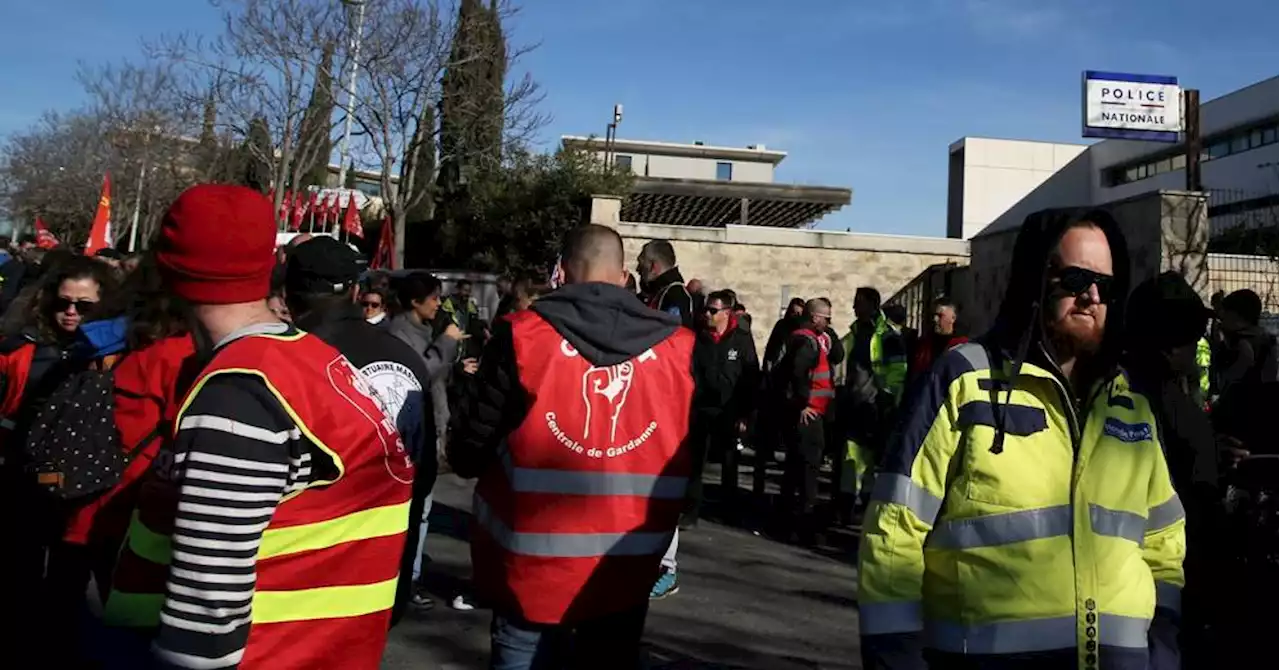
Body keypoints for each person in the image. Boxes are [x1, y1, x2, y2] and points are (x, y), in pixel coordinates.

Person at [101, 184, 413, 669]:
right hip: (325, 650)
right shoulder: (310, 361)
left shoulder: (239, 393)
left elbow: (207, 605)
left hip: (265, 655)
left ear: (166, 273)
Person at [858, 209, 1184, 670]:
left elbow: (1165, 543)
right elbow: (895, 530)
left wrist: (1163, 650)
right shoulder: (965, 378)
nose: (1091, 296)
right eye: (1075, 278)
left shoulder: (1130, 404)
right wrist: (895, 657)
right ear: (1036, 280)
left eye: (1105, 286)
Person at [449, 224, 697, 669]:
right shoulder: (680, 349)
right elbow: (689, 453)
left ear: (561, 272)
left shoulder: (521, 337)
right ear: (624, 277)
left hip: (533, 571)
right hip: (627, 567)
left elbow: (470, 450)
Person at [283, 236, 435, 625]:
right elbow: (423, 469)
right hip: (376, 577)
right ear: (355, 290)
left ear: (286, 292)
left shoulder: (274, 359)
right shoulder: (406, 358)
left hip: (292, 582)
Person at [1123, 271, 1218, 668]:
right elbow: (1204, 504)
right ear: (1171, 345)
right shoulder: (1181, 415)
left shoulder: (1107, 394)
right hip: (1174, 583)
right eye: (1193, 335)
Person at [690, 289, 759, 524]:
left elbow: (750, 377)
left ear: (726, 313)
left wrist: (746, 413)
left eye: (713, 310)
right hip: (701, 407)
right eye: (706, 309)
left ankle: (728, 510)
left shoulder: (740, 339)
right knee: (695, 461)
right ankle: (690, 511)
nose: (707, 314)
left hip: (729, 410)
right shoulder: (699, 337)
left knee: (730, 462)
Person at [773, 298, 834, 545]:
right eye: (826, 318)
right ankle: (802, 527)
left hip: (802, 415)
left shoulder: (799, 339)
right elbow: (798, 375)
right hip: (808, 418)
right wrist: (805, 405)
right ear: (815, 317)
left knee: (794, 470)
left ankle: (786, 523)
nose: (829, 323)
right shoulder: (807, 342)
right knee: (807, 473)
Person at [636, 239, 694, 328]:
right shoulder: (658, 292)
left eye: (641, 264)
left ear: (653, 267)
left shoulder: (674, 295)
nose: (638, 269)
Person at [909, 296, 968, 379]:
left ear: (953, 318)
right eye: (933, 315)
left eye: (940, 316)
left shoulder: (963, 345)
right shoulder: (924, 344)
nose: (935, 319)